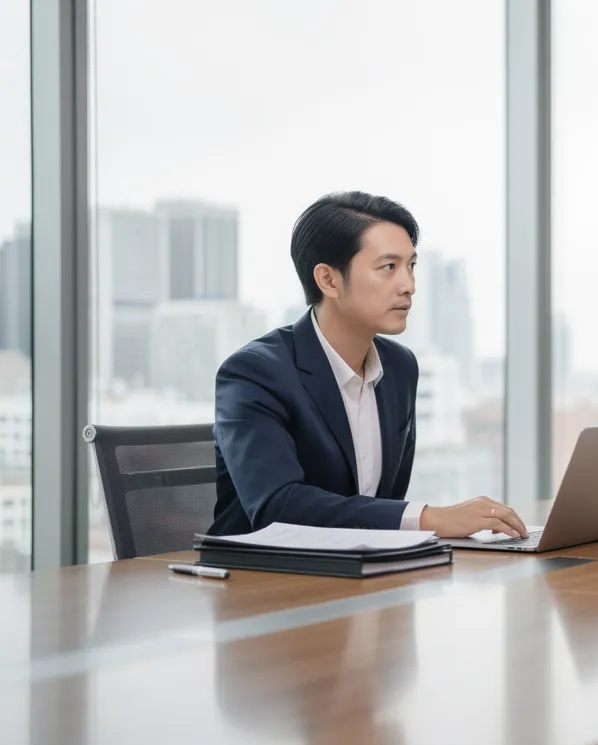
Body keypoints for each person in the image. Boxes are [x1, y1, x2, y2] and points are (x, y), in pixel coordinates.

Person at [209, 191, 527, 539]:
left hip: (363, 574)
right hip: (262, 581)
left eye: (411, 266)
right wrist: (429, 519)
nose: (409, 285)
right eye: (389, 267)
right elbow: (277, 507)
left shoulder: (400, 367)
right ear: (329, 280)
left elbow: (383, 504)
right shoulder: (254, 373)